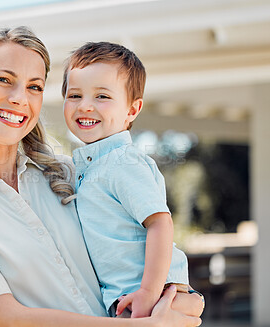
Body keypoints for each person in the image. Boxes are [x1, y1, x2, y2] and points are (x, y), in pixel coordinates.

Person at [0, 26, 203, 327]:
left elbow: (138, 244)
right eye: (3, 79)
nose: (19, 98)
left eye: (34, 86)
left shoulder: (74, 174)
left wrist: (175, 293)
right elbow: (3, 317)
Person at [62, 42, 190, 319]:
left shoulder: (124, 162)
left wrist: (148, 292)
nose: (85, 106)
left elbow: (160, 223)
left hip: (149, 294)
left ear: (132, 110)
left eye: (102, 97)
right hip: (125, 295)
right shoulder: (87, 168)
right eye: (74, 95)